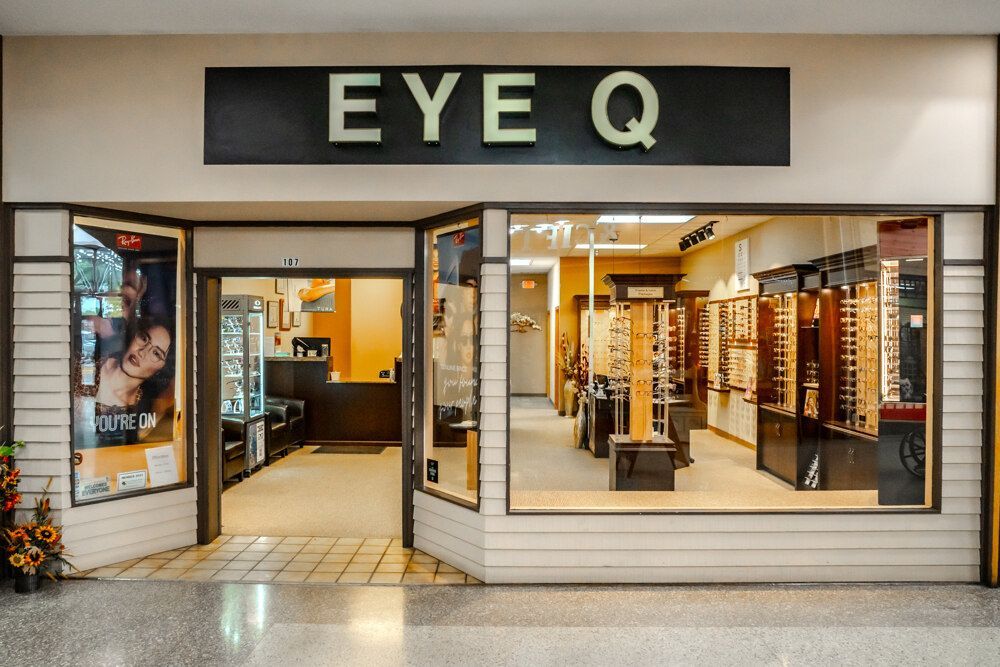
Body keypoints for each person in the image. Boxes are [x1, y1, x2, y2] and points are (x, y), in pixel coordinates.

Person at [93, 319, 174, 446]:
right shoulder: (86, 368)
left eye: (156, 353)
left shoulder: (146, 410)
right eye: (144, 338)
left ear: (162, 369)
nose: (142, 352)